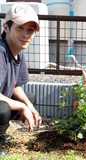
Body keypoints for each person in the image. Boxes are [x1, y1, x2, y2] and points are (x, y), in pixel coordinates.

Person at [0, 4, 42, 145]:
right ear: (6, 28)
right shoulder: (1, 52)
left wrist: (28, 105)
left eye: (30, 30)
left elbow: (15, 85)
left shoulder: (19, 52)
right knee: (3, 109)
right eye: (20, 28)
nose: (26, 34)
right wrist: (22, 107)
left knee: (29, 98)